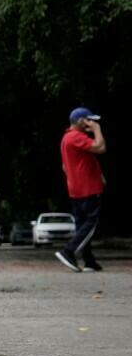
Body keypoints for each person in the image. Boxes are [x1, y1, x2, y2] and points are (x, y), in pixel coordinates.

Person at [56, 107, 107, 272]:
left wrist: (97, 174)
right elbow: (100, 148)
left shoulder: (66, 139)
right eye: (89, 120)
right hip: (88, 188)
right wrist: (97, 130)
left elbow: (66, 166)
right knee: (91, 223)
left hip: (76, 189)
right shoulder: (76, 137)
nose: (91, 123)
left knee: (82, 224)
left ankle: (89, 260)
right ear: (80, 121)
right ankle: (68, 251)